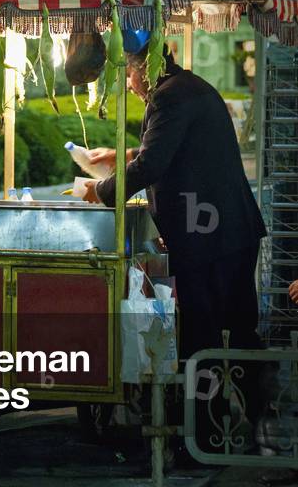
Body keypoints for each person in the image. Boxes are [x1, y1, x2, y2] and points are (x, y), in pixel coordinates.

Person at [81, 34, 267, 453]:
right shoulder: (186, 88)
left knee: (206, 335)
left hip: (212, 237)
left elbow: (154, 162)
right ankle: (244, 425)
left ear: (141, 69)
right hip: (225, 231)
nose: (128, 84)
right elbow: (169, 149)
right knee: (234, 329)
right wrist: (121, 154)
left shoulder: (170, 97)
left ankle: (208, 437)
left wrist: (103, 190)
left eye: (127, 73)